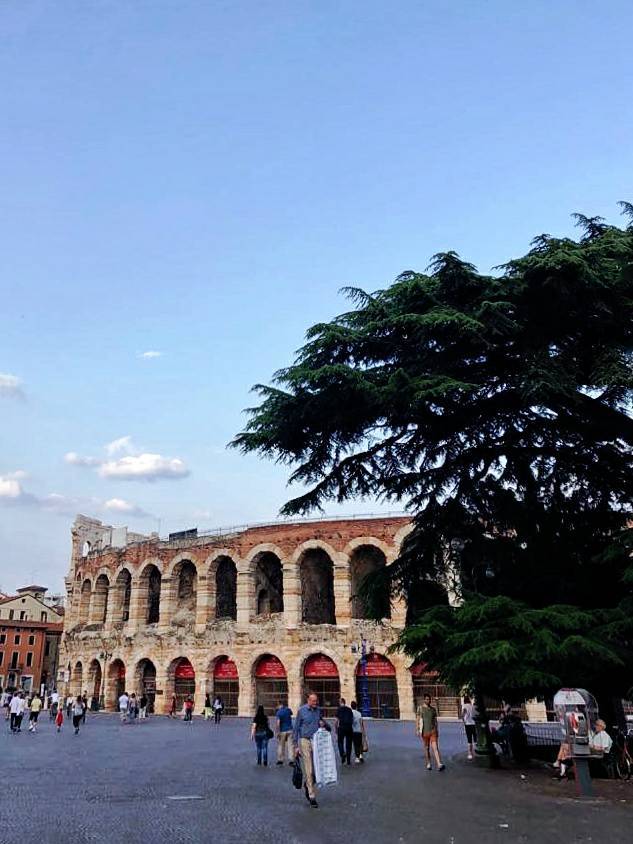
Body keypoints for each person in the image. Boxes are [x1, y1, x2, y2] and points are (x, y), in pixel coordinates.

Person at [294, 692, 322, 808]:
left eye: (316, 701)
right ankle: (312, 795)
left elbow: (321, 722)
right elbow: (296, 729)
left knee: (317, 771)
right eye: (314, 701)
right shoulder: (301, 711)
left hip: (316, 740)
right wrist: (295, 746)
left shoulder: (318, 710)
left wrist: (324, 725)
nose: (316, 703)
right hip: (304, 741)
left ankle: (307, 784)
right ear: (309, 701)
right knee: (309, 769)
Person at [416, 694, 445, 771]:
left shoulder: (433, 709)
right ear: (424, 700)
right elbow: (418, 719)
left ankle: (439, 764)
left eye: (429, 699)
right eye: (427, 699)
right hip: (424, 731)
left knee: (435, 747)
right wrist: (417, 729)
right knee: (427, 748)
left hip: (433, 731)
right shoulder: (420, 708)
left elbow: (435, 721)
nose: (428, 701)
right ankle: (428, 763)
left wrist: (437, 729)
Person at [335, 698, 354, 766]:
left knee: (340, 742)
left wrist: (336, 730)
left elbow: (336, 721)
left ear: (340, 702)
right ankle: (348, 760)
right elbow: (352, 719)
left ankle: (342, 754)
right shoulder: (349, 709)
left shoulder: (339, 709)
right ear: (345, 702)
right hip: (349, 728)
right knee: (349, 744)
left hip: (341, 727)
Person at [275, 700, 294, 765]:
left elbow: (278, 723)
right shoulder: (288, 710)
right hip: (290, 729)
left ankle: (280, 759)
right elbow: (291, 714)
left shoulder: (279, 712)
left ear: (279, 705)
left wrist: (277, 732)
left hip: (282, 730)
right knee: (290, 745)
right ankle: (291, 760)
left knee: (281, 745)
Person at [462, 695, 476, 760]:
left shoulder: (464, 706)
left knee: (469, 739)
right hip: (473, 723)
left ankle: (470, 754)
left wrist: (464, 721)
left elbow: (463, 714)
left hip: (467, 724)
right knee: (475, 739)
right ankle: (475, 752)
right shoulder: (472, 706)